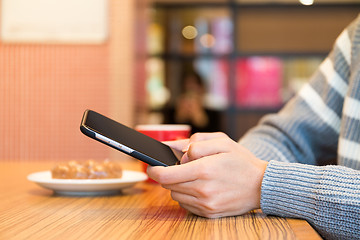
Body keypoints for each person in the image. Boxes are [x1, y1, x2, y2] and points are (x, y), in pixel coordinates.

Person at [147, 15, 360, 240]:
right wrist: (230, 167)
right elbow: (286, 136)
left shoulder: (211, 111)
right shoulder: (356, 36)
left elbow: (261, 173)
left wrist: (262, 182)